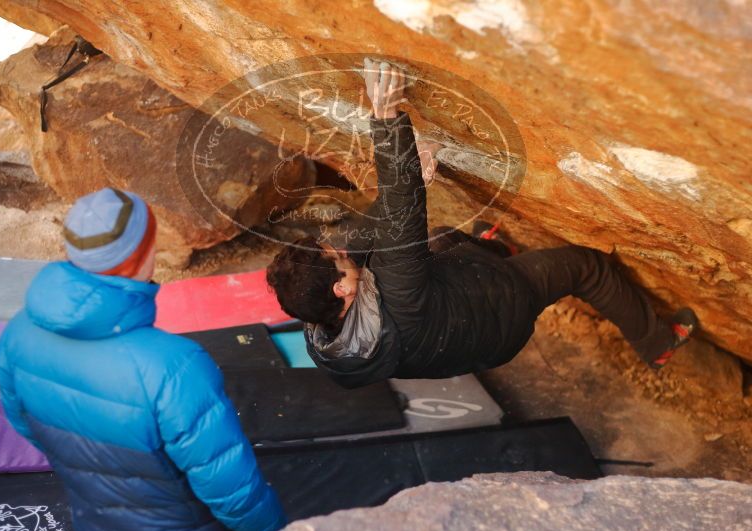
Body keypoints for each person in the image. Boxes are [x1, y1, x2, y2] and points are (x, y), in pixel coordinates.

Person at [266, 60, 698, 389]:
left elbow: (376, 228)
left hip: (447, 331)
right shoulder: (394, 301)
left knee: (438, 239)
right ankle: (656, 343)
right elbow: (398, 218)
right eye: (335, 259)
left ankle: (491, 246)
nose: (339, 250)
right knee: (586, 266)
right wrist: (386, 117)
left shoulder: (322, 327)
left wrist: (414, 179)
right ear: (342, 289)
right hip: (497, 317)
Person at [0, 188, 286, 531]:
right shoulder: (174, 367)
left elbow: (27, 426)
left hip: (93, 519)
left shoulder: (16, 334)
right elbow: (233, 493)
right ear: (142, 252)